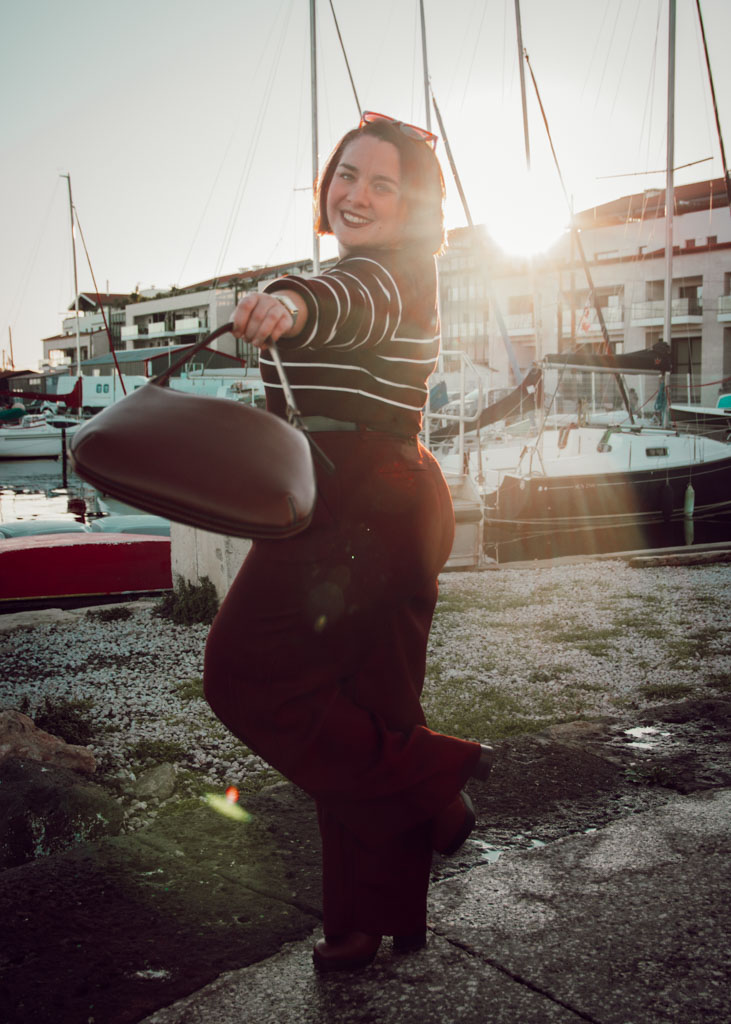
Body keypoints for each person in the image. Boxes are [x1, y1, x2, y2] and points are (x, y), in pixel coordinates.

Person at [203, 112, 494, 973]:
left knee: (242, 674)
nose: (356, 194)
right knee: (371, 715)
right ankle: (369, 921)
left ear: (413, 206)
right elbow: (331, 299)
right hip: (382, 499)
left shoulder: (393, 273)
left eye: (381, 183)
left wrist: (289, 302)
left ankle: (431, 789)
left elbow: (340, 302)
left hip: (364, 508)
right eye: (346, 174)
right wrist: (293, 296)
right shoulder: (365, 270)